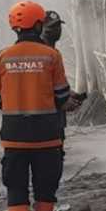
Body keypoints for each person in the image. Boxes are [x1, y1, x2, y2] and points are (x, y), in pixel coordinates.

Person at [0, 0, 72, 211]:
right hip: (47, 135)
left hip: (14, 136)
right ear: (39, 25)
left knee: (16, 187)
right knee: (45, 185)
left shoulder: (2, 57)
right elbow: (61, 95)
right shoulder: (51, 56)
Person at [40, 10, 86, 141]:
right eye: (51, 27)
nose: (56, 30)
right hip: (46, 119)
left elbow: (54, 83)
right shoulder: (42, 54)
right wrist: (64, 101)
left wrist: (71, 94)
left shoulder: (55, 53)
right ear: (41, 29)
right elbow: (41, 87)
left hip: (56, 120)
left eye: (58, 26)